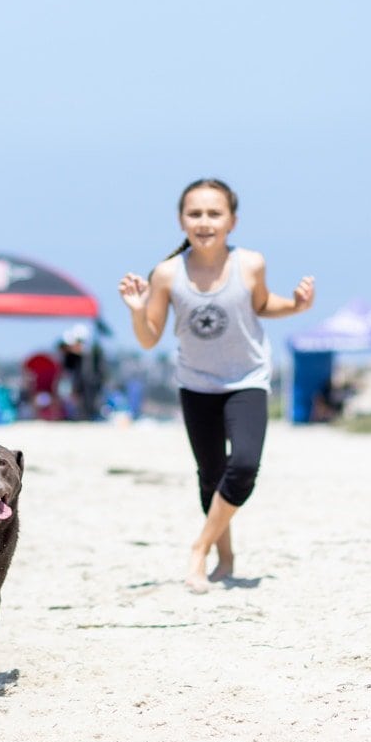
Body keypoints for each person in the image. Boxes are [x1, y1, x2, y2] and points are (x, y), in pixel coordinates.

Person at [118, 178, 314, 593]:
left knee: (243, 466)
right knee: (210, 475)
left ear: (232, 221)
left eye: (214, 213)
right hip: (197, 384)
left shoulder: (251, 264)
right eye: (195, 213)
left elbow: (262, 304)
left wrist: (296, 305)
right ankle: (224, 556)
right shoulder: (168, 274)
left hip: (247, 380)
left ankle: (199, 549)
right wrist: (138, 310)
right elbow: (150, 337)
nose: (204, 221)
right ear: (181, 220)